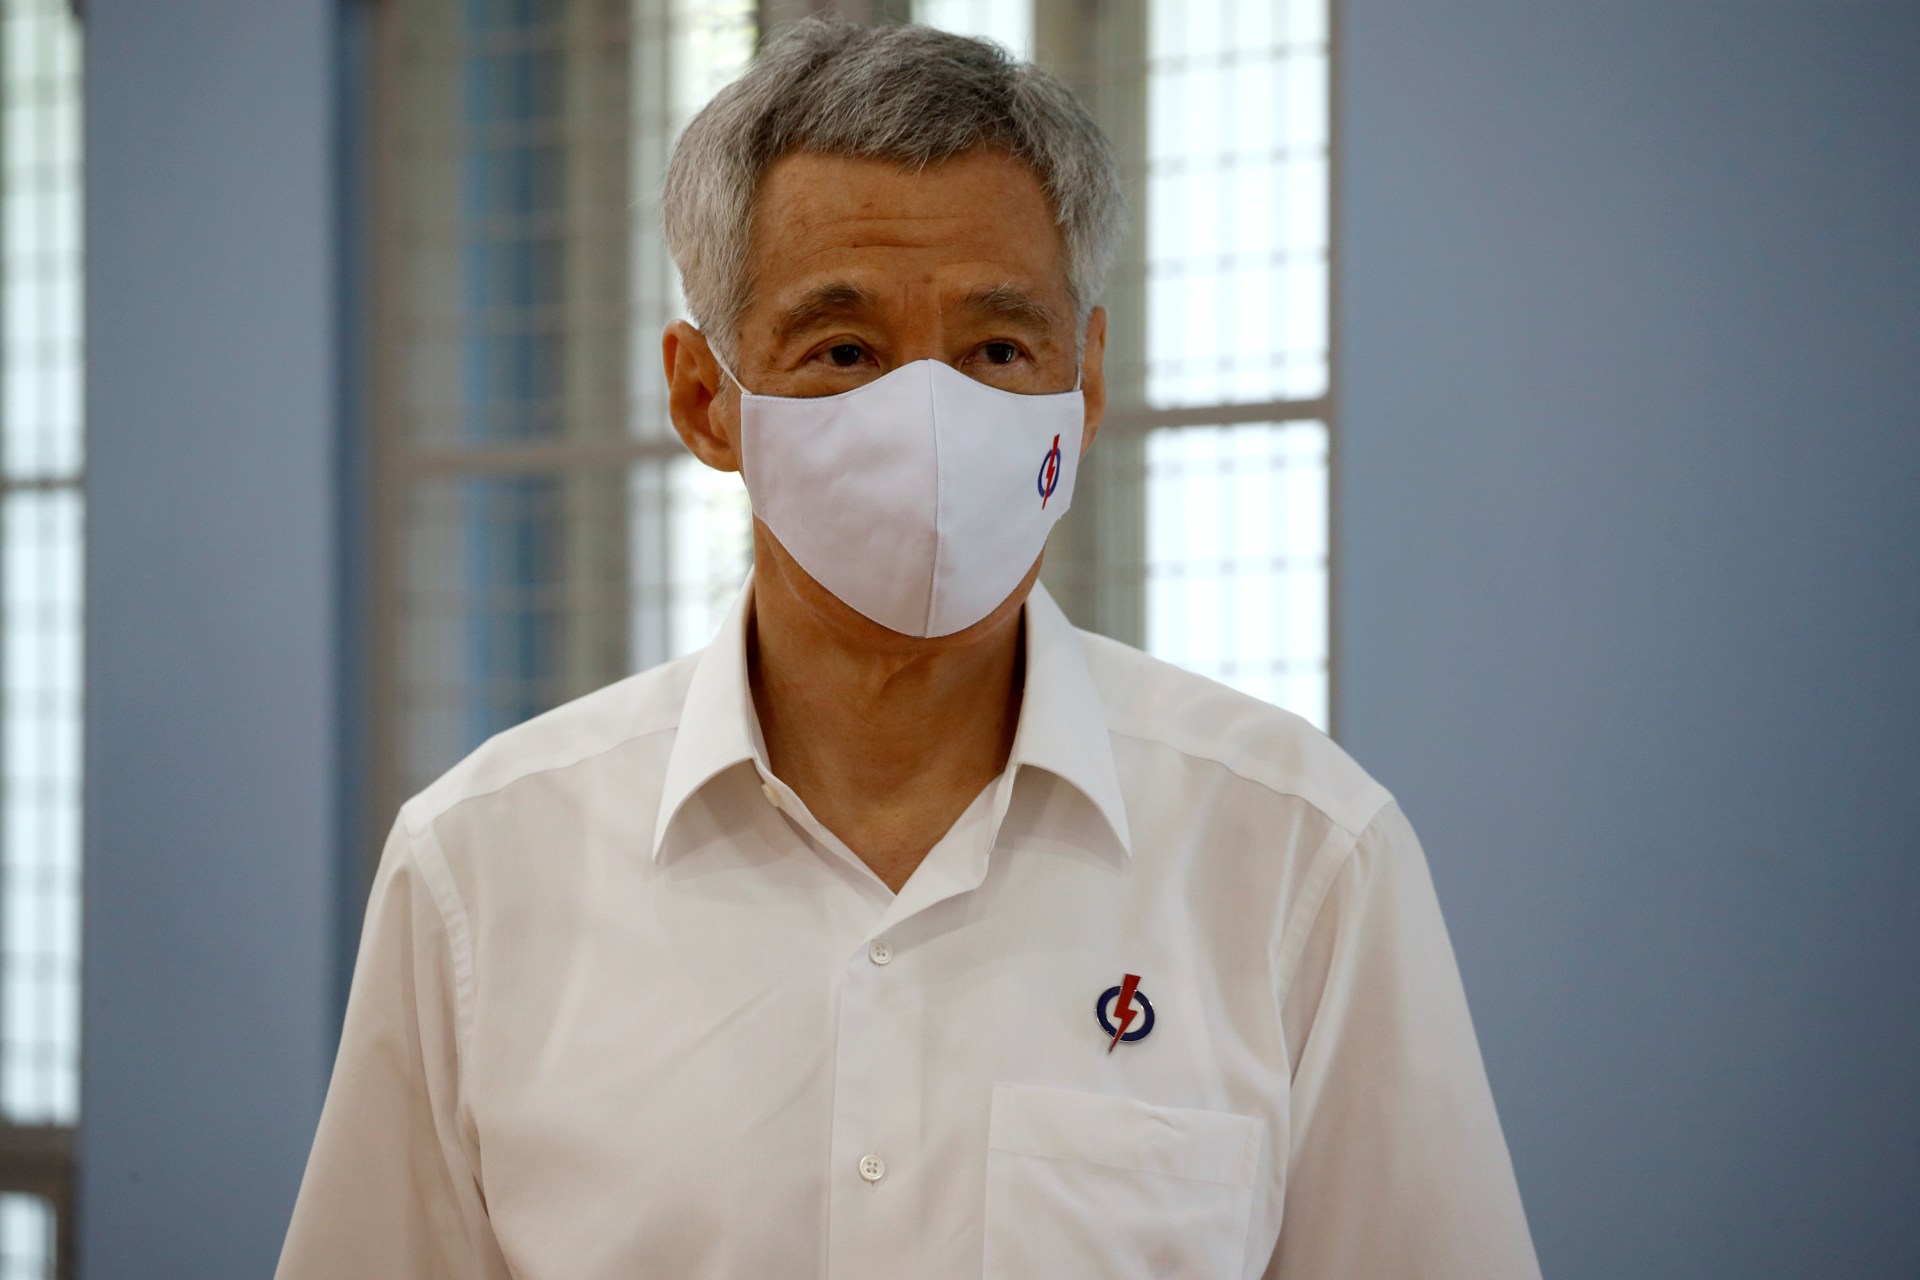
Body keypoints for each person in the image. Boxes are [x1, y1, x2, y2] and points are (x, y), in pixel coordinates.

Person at [277, 19, 1540, 1279]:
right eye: (844, 351)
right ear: (706, 399)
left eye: (998, 349)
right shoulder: (483, 873)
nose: (932, 423)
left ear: (1085, 380)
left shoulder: (1299, 860)